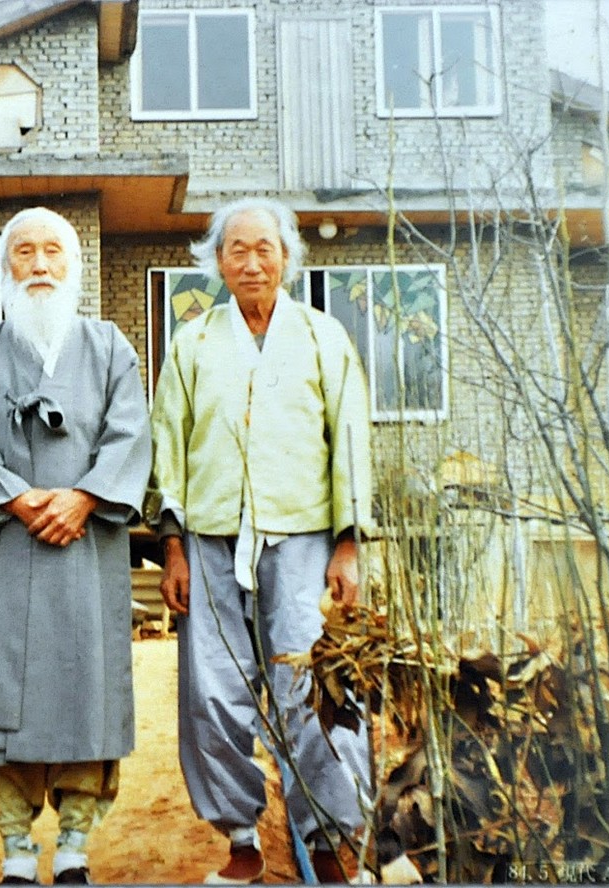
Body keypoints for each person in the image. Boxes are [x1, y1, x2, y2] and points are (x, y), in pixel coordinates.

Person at [149, 198, 374, 884]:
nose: (251, 262)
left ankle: (332, 842)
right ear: (216, 261)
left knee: (315, 687)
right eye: (236, 249)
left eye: (264, 249)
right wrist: (174, 546)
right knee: (212, 693)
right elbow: (168, 449)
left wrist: (348, 543)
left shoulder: (321, 336)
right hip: (211, 541)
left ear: (286, 258)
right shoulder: (190, 344)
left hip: (303, 538)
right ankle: (240, 838)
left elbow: (350, 441)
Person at [0, 207, 152, 885]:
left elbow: (129, 435)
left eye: (52, 251)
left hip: (86, 547)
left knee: (82, 686)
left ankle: (76, 844)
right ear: (5, 266)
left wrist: (84, 497)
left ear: (73, 264)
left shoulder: (110, 345)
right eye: (23, 252)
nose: (38, 265)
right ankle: (14, 847)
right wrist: (19, 498)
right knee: (11, 690)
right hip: (7, 541)